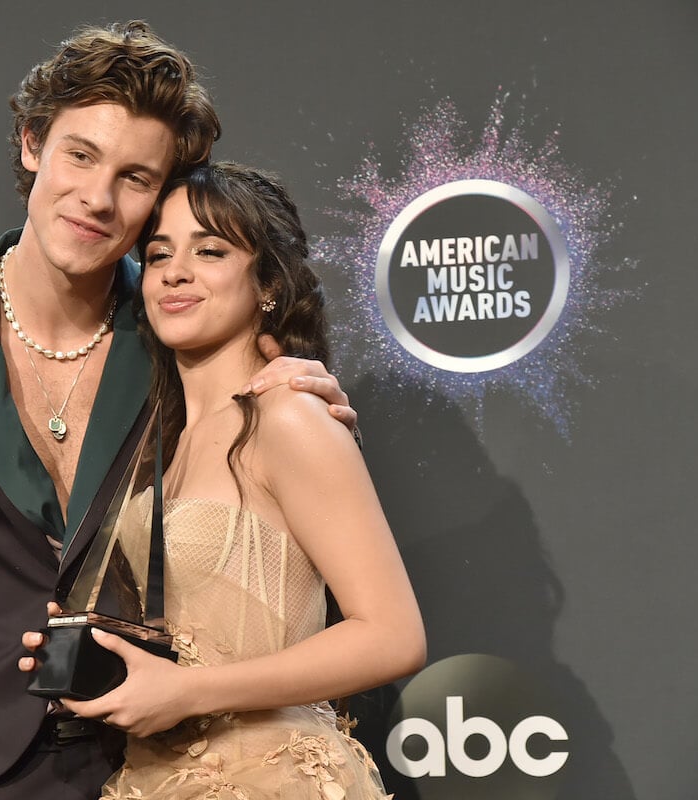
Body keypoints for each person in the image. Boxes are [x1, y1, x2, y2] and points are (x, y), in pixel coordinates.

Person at [0, 22, 357, 800]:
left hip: (147, 763)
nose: (96, 198)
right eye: (80, 155)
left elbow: (266, 438)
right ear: (32, 144)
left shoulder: (177, 335)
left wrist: (301, 383)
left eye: (135, 177)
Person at [22, 162, 426, 799]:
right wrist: (93, 648)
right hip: (150, 780)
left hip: (272, 779)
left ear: (267, 282)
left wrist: (188, 692)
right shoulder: (160, 442)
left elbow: (392, 637)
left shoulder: (288, 415)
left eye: (210, 250)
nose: (176, 272)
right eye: (158, 255)